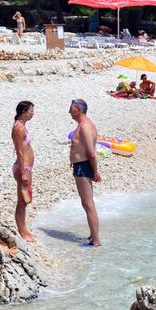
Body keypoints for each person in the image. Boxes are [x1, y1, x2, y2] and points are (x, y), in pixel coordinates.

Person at [69, 99, 101, 247]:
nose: (69, 112)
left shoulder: (86, 127)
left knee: (88, 204)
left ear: (79, 110)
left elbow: (91, 153)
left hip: (83, 166)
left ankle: (96, 241)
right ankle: (92, 235)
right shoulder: (81, 126)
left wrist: (95, 172)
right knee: (86, 203)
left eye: (71, 109)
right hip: (80, 166)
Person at [12, 101, 36, 243]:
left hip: (27, 168)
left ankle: (24, 228)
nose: (33, 113)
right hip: (23, 169)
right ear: (24, 111)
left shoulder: (22, 126)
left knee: (26, 199)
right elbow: (19, 153)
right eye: (31, 110)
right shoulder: (18, 129)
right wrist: (23, 173)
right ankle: (22, 231)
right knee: (22, 200)